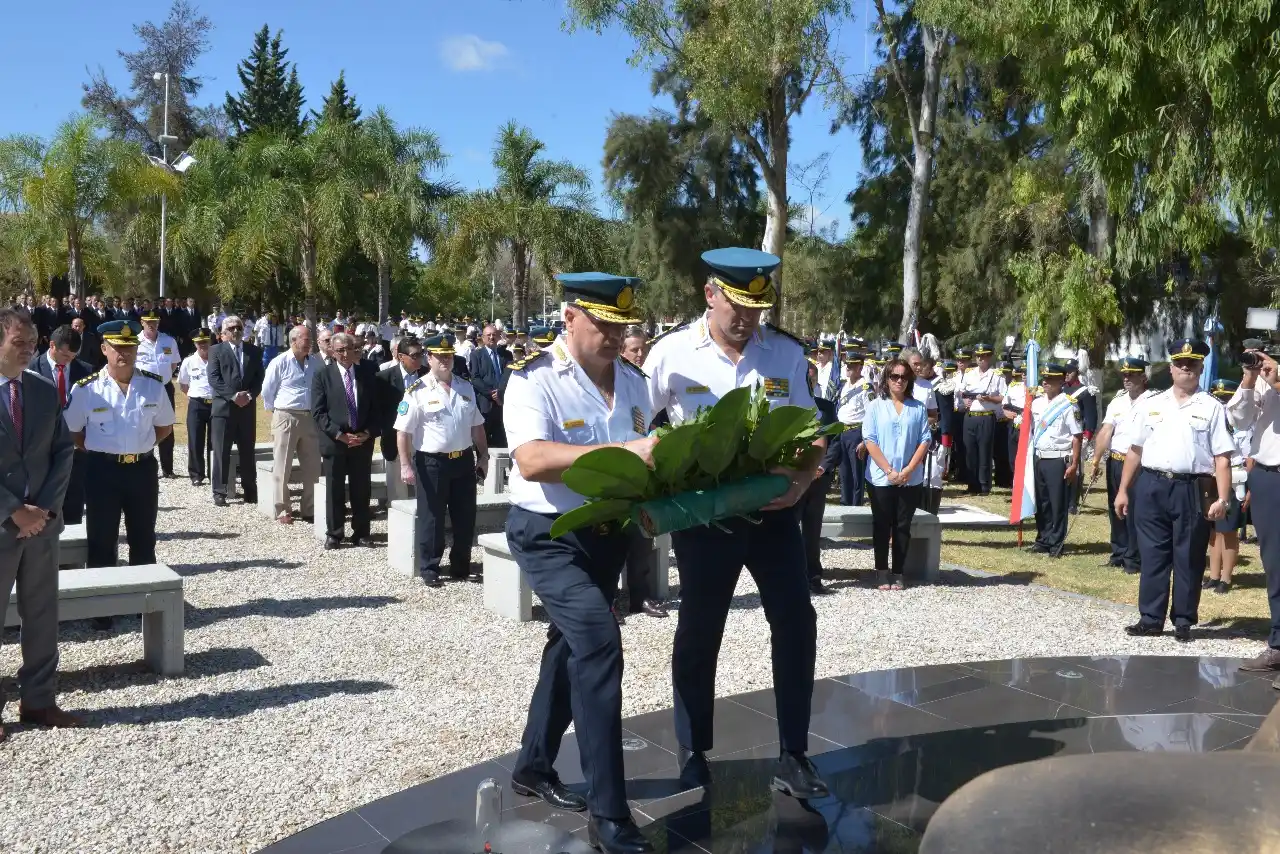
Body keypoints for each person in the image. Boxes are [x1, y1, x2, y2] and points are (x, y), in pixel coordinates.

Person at [646, 247, 829, 801]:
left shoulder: (785, 355)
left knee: (796, 622)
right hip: (704, 518)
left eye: (757, 305)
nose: (746, 318)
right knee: (701, 631)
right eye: (736, 304)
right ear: (710, 294)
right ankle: (693, 749)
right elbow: (636, 426)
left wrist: (799, 484)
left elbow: (813, 436)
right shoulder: (671, 354)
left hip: (772, 515)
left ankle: (794, 753)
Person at [503, 272, 655, 853]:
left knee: (568, 646)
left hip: (607, 533)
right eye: (602, 324)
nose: (614, 336)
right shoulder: (534, 380)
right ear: (570, 318)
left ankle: (534, 765)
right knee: (598, 644)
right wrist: (623, 452)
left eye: (621, 325)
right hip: (548, 533)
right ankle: (609, 813)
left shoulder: (635, 384)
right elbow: (534, 459)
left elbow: (647, 453)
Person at [1115, 339, 1234, 643]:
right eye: (1180, 363)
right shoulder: (1152, 404)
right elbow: (1135, 450)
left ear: (1200, 368)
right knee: (1153, 555)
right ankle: (1150, 619)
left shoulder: (1211, 407)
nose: (1185, 368)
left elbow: (1222, 458)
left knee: (1189, 557)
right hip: (1152, 485)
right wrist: (1123, 490)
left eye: (1191, 364)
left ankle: (1183, 620)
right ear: (1170, 368)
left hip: (1190, 489)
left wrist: (1222, 498)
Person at [0, 308, 80, 740]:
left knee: (43, 614)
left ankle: (39, 700)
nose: (29, 349)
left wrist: (44, 510)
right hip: (2, 524)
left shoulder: (44, 391)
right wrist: (13, 510)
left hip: (42, 526)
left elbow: (63, 451)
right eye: (20, 342)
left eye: (33, 342)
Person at [64, 320, 175, 580]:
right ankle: (102, 613)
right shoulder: (86, 388)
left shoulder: (153, 385)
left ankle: (144, 603)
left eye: (130, 348)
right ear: (104, 349)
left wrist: (139, 446)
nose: (124, 354)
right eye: (117, 348)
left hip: (142, 469)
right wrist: (101, 450)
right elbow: (73, 431)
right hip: (102, 471)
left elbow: (164, 427)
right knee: (102, 540)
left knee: (144, 539)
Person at [396, 333, 487, 586]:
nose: (445, 360)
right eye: (439, 356)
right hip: (431, 462)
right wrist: (405, 465)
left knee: (465, 516)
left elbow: (477, 425)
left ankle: (461, 565)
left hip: (463, 461)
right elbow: (402, 432)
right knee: (432, 517)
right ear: (429, 358)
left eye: (448, 356)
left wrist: (484, 456)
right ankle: (430, 566)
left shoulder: (465, 387)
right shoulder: (417, 391)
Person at [1227, 348, 1280, 674]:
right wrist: (1250, 378)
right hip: (1268, 477)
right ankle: (1278, 644)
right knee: (1275, 563)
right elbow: (1239, 418)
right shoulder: (1264, 375)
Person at [862, 358, 932, 590]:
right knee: (882, 524)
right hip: (881, 477)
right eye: (894, 376)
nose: (899, 381)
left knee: (903, 525)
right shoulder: (875, 406)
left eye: (903, 377)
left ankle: (899, 571)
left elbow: (924, 440)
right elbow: (870, 440)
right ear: (886, 379)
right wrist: (890, 471)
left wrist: (908, 470)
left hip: (910, 478)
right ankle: (881, 571)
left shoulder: (918, 408)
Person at [311, 332, 382, 549]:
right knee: (335, 489)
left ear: (355, 350)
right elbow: (318, 413)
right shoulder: (322, 375)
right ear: (332, 352)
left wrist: (368, 433)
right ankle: (335, 533)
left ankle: (361, 533)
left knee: (361, 489)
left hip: (362, 441)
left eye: (348, 349)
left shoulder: (368, 374)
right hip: (336, 442)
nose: (344, 354)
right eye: (339, 350)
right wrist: (339, 435)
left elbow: (376, 410)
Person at [616, 325, 667, 617]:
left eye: (643, 349)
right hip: (614, 464)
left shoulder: (641, 380)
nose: (640, 354)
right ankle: (608, 599)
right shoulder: (609, 378)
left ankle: (641, 596)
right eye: (634, 349)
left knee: (642, 534)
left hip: (640, 470)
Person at [1091, 356, 1155, 573]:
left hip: (1139, 464)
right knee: (1114, 508)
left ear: (1143, 377)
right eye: (1125, 374)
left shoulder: (1153, 401)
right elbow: (1106, 431)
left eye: (1132, 374)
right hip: (1116, 461)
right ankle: (1118, 552)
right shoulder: (1118, 401)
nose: (1127, 378)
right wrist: (1096, 460)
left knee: (1135, 510)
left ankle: (1134, 558)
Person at [27, 325, 93, 523]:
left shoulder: (86, 371)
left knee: (74, 498)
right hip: (42, 448)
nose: (69, 360)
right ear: (52, 345)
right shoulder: (31, 371)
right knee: (44, 500)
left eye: (73, 356)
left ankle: (72, 545)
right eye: (65, 355)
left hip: (76, 447)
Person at [262, 325, 323, 525]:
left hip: (310, 418)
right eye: (306, 339)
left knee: (313, 467)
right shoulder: (279, 362)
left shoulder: (315, 362)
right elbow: (267, 392)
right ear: (294, 340)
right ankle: (282, 509)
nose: (310, 343)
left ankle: (310, 509)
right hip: (286, 416)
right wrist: (279, 413)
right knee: (282, 466)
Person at [207, 316, 265, 507]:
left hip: (246, 409)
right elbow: (214, 379)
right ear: (224, 332)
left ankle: (250, 489)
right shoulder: (216, 350)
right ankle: (220, 491)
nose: (236, 331)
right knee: (221, 451)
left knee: (247, 451)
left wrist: (249, 396)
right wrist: (233, 396)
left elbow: (259, 379)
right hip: (224, 409)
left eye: (239, 327)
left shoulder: (254, 351)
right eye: (231, 328)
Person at [1027, 363, 1083, 558]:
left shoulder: (1068, 404)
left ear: (1061, 381)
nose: (1045, 382)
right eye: (1044, 378)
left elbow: (1077, 436)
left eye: (1050, 379)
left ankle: (1056, 543)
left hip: (1058, 458)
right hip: (1039, 457)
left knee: (1057, 503)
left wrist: (1074, 464)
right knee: (1041, 502)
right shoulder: (1036, 403)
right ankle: (1043, 538)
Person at [798, 360, 842, 596]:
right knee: (788, 531)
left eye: (812, 377)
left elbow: (834, 442)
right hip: (793, 478)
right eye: (805, 376)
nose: (809, 381)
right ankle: (790, 577)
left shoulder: (826, 407)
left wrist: (821, 467)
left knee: (812, 531)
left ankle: (813, 577)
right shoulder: (788, 405)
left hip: (818, 479)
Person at [1204, 379, 1245, 594]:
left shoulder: (1241, 422)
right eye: (1217, 397)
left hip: (1233, 476)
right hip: (1210, 475)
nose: (1221, 401)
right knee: (1213, 531)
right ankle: (1213, 575)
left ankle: (1227, 578)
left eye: (1226, 397)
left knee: (1228, 531)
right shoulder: (1211, 417)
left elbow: (1249, 457)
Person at [377, 335, 427, 503]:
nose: (419, 359)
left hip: (423, 439)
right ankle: (400, 525)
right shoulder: (383, 379)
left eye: (421, 354)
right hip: (395, 439)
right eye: (414, 355)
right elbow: (379, 411)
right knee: (398, 491)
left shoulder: (428, 376)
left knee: (424, 487)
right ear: (400, 357)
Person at [134, 310, 182, 478]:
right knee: (143, 425)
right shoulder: (135, 342)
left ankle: (168, 469)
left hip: (164, 388)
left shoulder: (168, 341)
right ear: (142, 322)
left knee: (167, 427)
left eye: (155, 322)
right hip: (143, 390)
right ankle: (144, 464)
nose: (152, 325)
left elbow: (174, 363)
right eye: (148, 322)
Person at [957, 343, 1006, 495]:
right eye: (978, 356)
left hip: (986, 416)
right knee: (969, 451)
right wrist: (964, 400)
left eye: (983, 356)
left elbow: (1003, 397)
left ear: (989, 357)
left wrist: (990, 398)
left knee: (984, 451)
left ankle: (984, 485)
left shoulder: (997, 375)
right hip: (970, 416)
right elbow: (962, 392)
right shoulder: (970, 373)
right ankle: (972, 484)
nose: (980, 359)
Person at [904, 347, 944, 511]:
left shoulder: (926, 386)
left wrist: (919, 423)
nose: (919, 368)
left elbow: (933, 415)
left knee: (918, 475)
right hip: (900, 438)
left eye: (921, 364)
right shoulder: (897, 383)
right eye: (915, 364)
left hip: (920, 439)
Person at [178, 328, 215, 486]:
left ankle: (215, 473)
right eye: (199, 343)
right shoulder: (188, 361)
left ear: (210, 342)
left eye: (205, 342)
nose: (202, 346)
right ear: (195, 344)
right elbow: (183, 384)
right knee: (195, 440)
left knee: (215, 441)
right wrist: (195, 395)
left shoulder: (217, 358)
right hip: (197, 404)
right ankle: (196, 474)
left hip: (215, 404)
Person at [835, 350, 872, 506]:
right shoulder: (844, 385)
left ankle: (856, 506)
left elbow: (870, 415)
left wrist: (865, 440)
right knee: (844, 473)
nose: (848, 368)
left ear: (859, 368)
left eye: (851, 366)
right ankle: (845, 503)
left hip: (857, 432)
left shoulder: (865, 388)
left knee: (857, 474)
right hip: (842, 431)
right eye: (847, 366)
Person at [468, 323, 511, 449]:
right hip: (485, 404)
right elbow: (475, 378)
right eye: (488, 335)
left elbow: (508, 375)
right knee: (482, 441)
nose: (491, 337)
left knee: (502, 441)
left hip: (503, 403)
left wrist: (501, 393)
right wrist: (493, 393)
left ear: (498, 337)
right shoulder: (476, 355)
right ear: (482, 337)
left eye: (494, 335)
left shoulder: (506, 355)